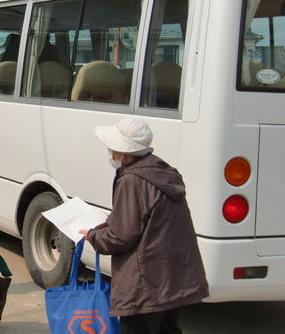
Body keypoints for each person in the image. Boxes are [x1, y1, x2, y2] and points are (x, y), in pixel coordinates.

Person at [80, 118, 209, 334]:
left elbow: (121, 236)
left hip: (146, 283)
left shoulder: (132, 180)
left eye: (113, 147)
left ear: (124, 151)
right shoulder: (161, 171)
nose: (110, 153)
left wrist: (93, 236)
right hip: (173, 278)